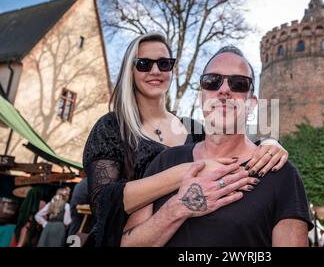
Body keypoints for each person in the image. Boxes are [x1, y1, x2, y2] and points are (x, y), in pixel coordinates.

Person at [83, 33, 289, 246]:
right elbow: (102, 204)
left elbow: (227, 145)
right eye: (144, 64)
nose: (155, 71)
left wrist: (268, 143)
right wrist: (185, 171)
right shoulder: (112, 127)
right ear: (130, 71)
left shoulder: (193, 129)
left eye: (164, 64)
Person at [120, 45, 313, 247]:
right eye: (212, 81)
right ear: (201, 96)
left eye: (239, 83)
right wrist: (178, 208)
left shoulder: (280, 174)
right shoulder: (165, 162)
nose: (224, 90)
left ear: (252, 104)